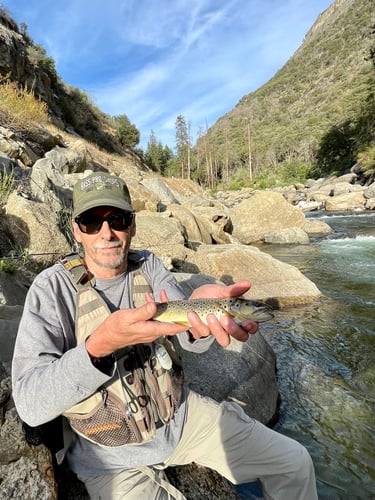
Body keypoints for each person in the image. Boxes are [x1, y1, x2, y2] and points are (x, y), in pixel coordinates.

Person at [12, 172, 318, 500]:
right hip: (108, 458)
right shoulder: (50, 288)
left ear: (132, 225)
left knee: (294, 462)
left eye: (117, 219)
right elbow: (29, 403)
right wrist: (99, 346)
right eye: (91, 221)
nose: (107, 233)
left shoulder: (149, 265)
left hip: (182, 421)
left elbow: (187, 331)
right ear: (76, 229)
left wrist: (201, 314)